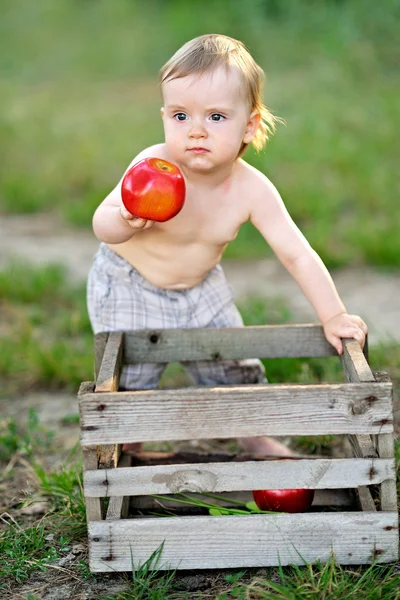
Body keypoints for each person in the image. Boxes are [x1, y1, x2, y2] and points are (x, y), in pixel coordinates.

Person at [87, 34, 368, 456]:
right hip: (129, 283)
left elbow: (296, 252)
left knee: (234, 367)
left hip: (201, 288)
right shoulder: (151, 166)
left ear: (249, 125)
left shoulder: (251, 190)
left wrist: (334, 315)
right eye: (181, 116)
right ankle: (126, 451)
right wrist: (125, 219)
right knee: (131, 382)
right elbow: (100, 224)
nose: (196, 131)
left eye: (216, 117)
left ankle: (256, 437)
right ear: (164, 116)